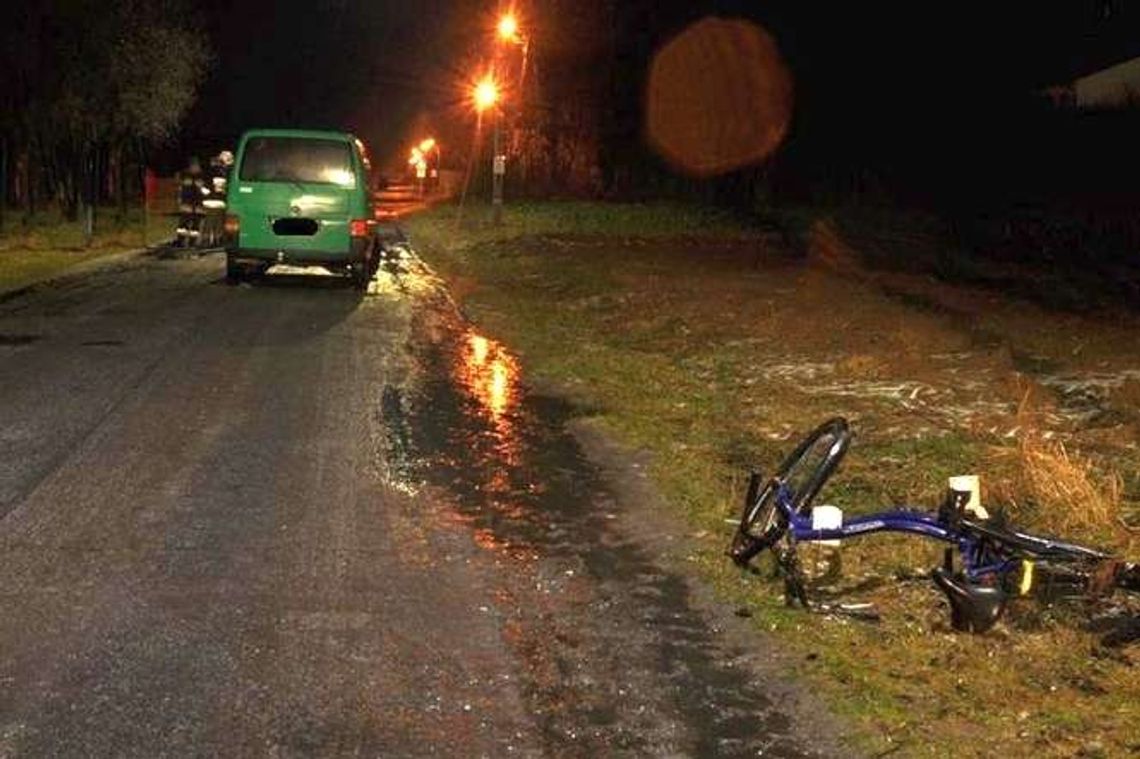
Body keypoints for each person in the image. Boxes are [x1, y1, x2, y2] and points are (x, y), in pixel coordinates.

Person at [175, 156, 206, 247]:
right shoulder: (186, 175)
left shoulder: (201, 176)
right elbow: (180, 188)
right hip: (187, 203)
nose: (194, 167)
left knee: (195, 226)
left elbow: (204, 190)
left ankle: (192, 242)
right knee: (183, 224)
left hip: (197, 205)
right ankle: (181, 241)